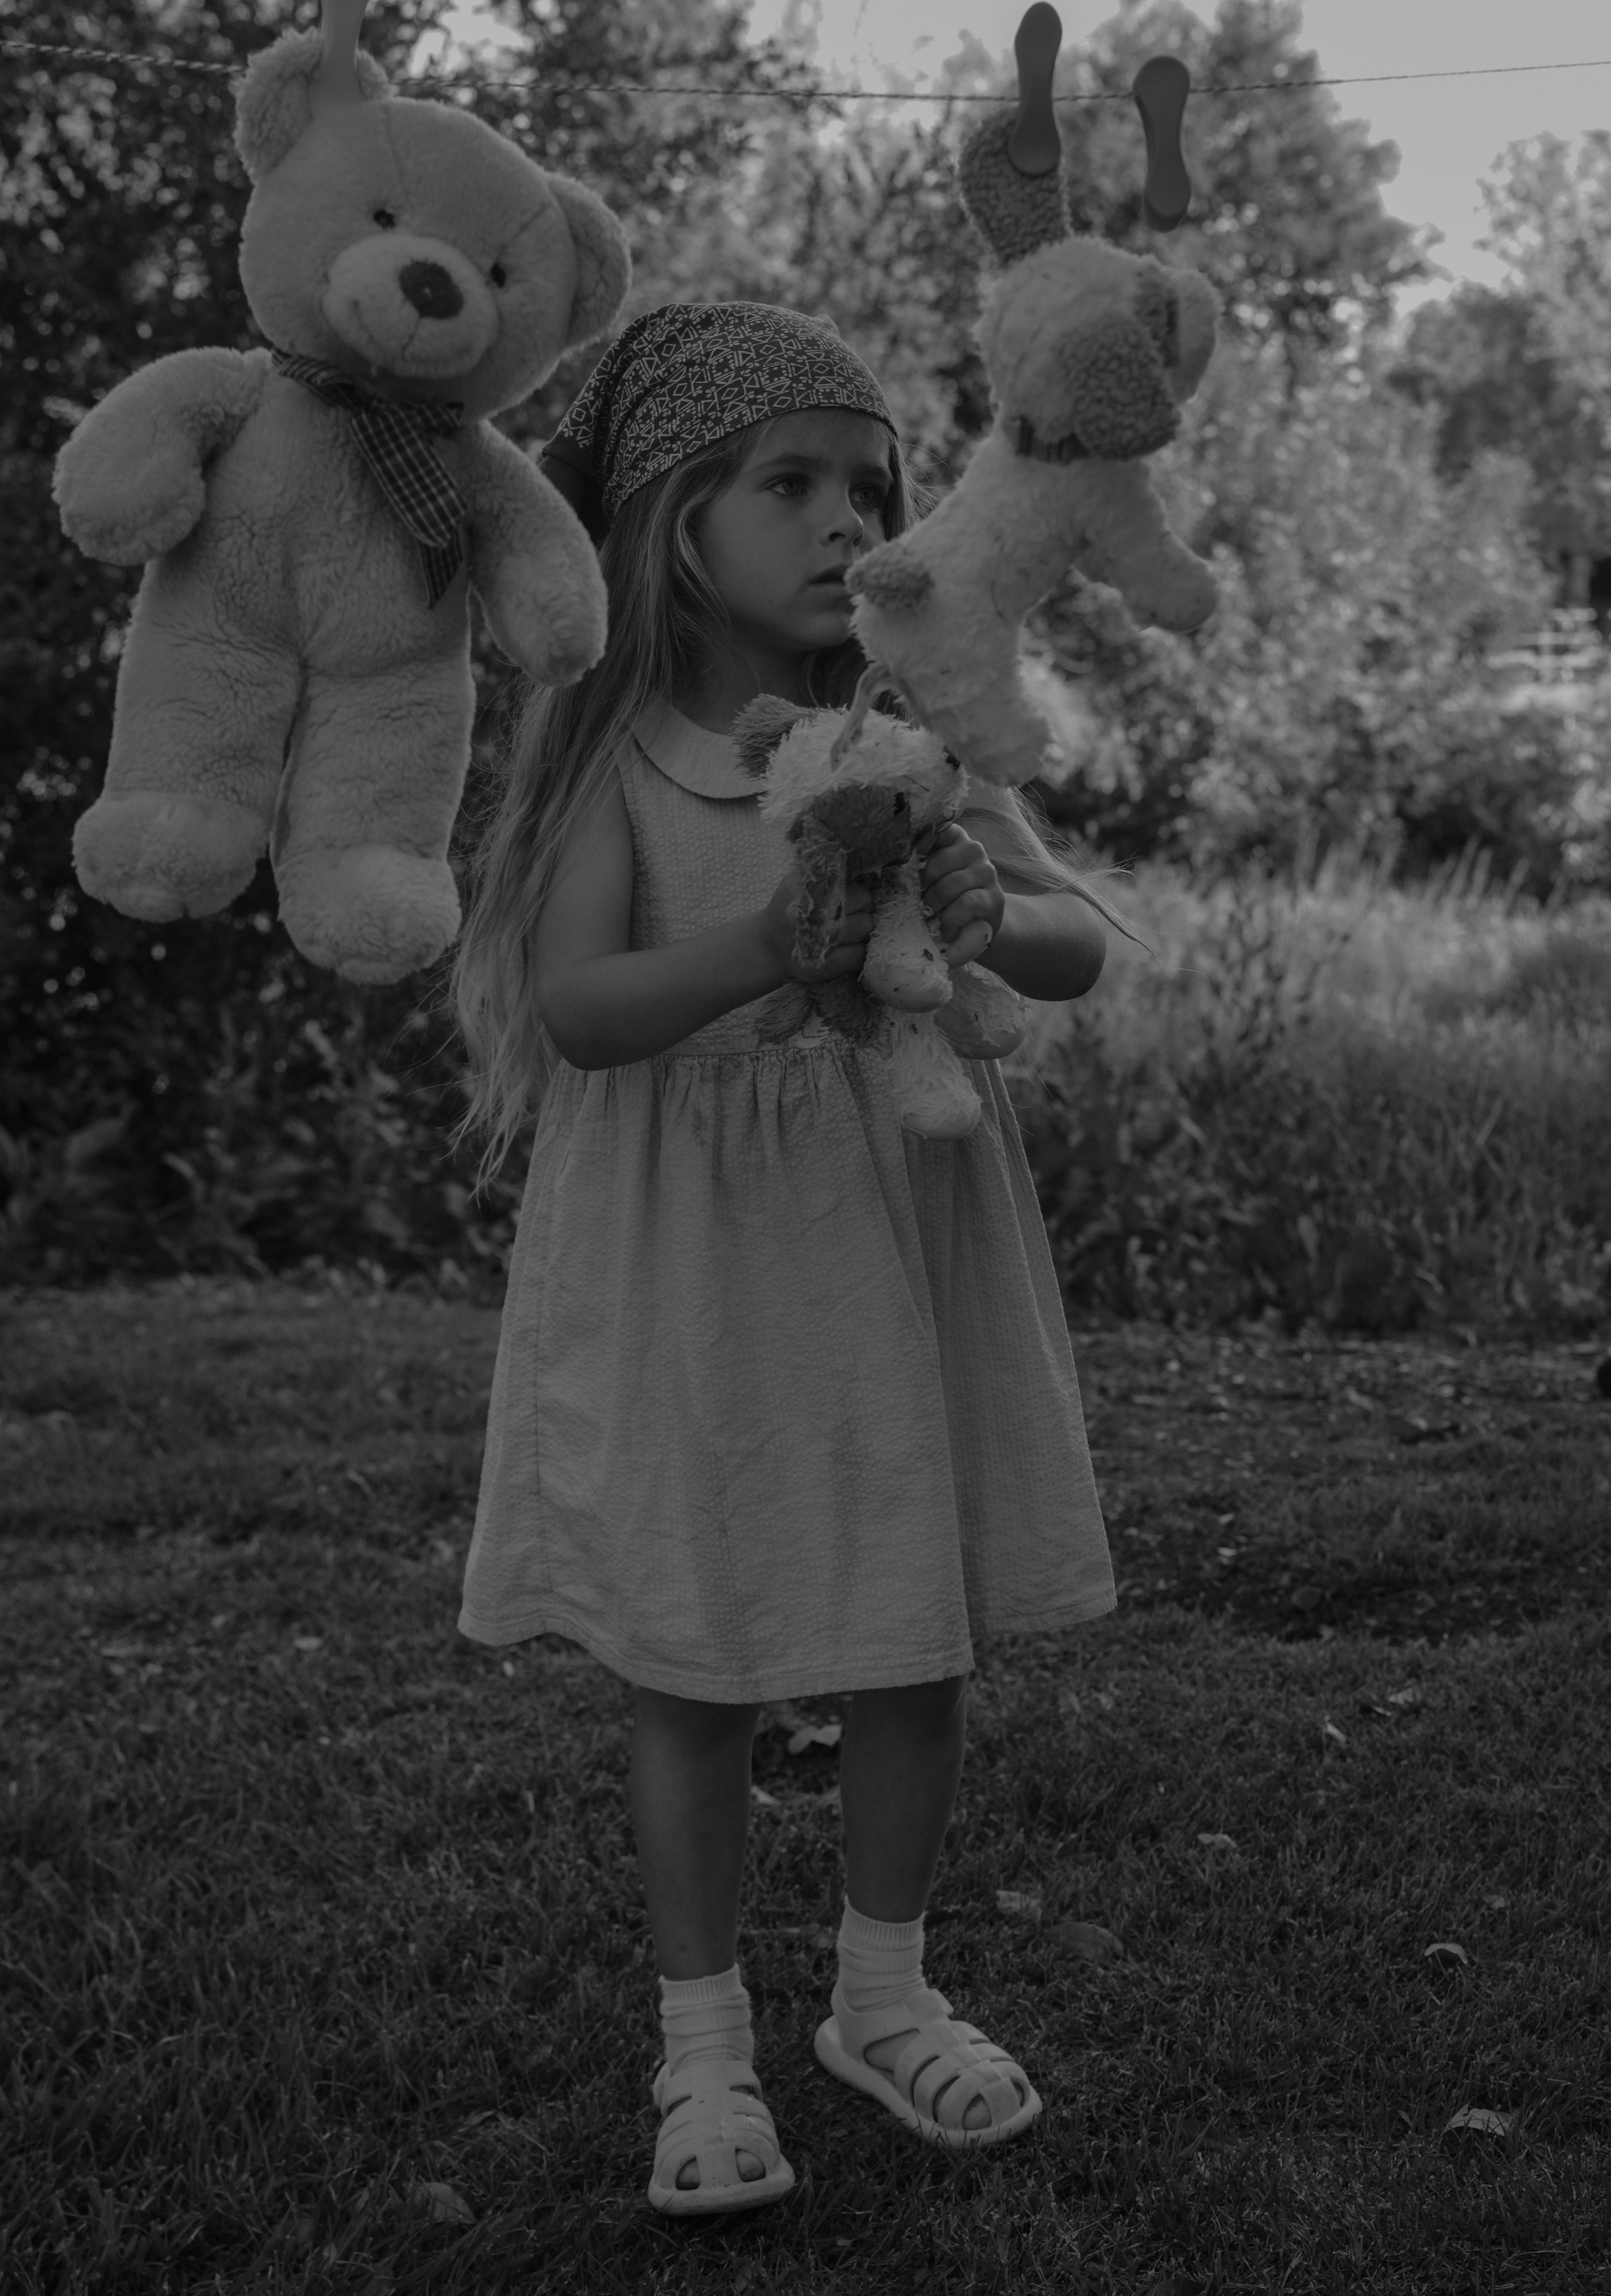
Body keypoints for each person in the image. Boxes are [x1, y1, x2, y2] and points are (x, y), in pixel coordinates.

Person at [447, 302, 1119, 2218]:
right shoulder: (623, 762)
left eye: (875, 488)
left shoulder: (906, 740)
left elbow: (1077, 945)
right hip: (696, 1263)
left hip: (894, 1244)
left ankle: (882, 1999)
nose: (851, 524)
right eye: (793, 484)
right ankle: (702, 2046)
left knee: (912, 1619)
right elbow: (582, 1006)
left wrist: (993, 913)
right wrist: (770, 945)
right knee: (696, 1648)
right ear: (678, 523)